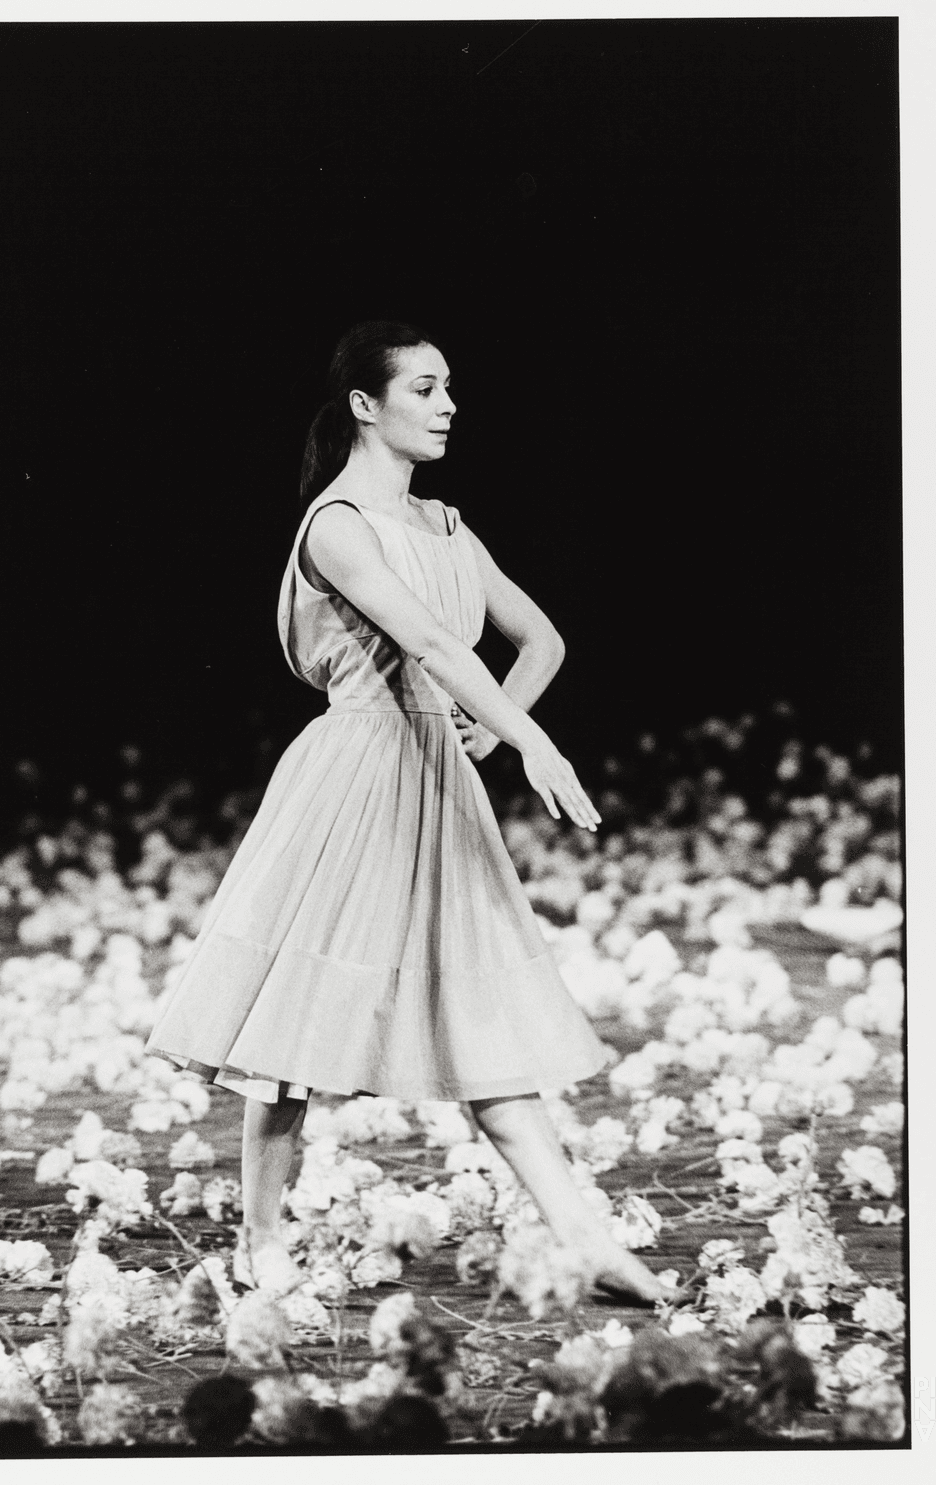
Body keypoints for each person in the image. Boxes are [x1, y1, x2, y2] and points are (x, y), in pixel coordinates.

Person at [145, 320, 668, 1304]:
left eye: (448, 388)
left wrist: (488, 727)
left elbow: (540, 639)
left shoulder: (447, 527)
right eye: (425, 389)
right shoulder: (337, 524)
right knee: (290, 1033)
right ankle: (262, 1241)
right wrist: (528, 738)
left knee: (475, 1020)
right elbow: (426, 636)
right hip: (354, 776)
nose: (447, 406)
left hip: (435, 776)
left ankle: (588, 1241)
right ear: (364, 404)